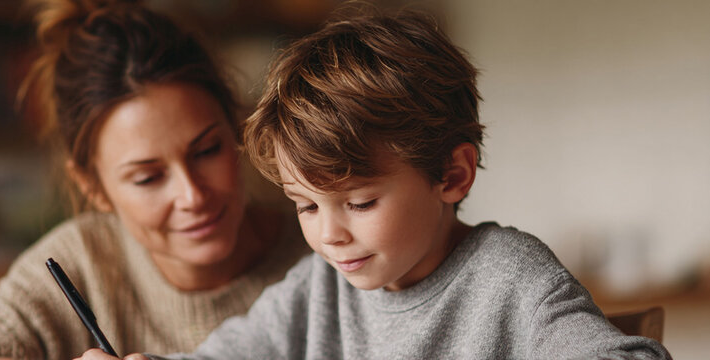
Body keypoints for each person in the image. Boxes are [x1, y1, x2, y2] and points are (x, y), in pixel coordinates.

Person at [78, 6, 671, 360]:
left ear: (452, 174)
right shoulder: (318, 289)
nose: (330, 235)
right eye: (306, 207)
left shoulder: (508, 277)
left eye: (359, 202)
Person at [0, 0, 308, 358]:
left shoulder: (328, 249)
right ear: (92, 188)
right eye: (148, 178)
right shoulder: (83, 260)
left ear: (236, 128)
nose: (192, 195)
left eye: (206, 151)